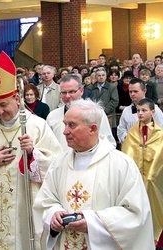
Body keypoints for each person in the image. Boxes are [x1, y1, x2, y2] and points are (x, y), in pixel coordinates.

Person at [0, 52, 62, 249]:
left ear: (17, 98)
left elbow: (55, 163)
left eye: (3, 104)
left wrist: (33, 154)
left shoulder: (36, 125)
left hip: (24, 204)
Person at [33, 99, 154, 250]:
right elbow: (46, 201)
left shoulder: (121, 165)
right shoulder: (59, 164)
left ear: (93, 128)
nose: (64, 131)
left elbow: (136, 214)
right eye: (65, 124)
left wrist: (92, 222)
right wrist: (53, 214)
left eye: (72, 125)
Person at [121, 98, 163, 246]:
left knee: (154, 202)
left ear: (153, 112)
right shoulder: (132, 133)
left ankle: (156, 238)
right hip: (136, 178)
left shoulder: (160, 134)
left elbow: (159, 157)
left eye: (144, 110)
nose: (140, 113)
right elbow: (127, 155)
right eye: (138, 110)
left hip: (154, 181)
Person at [46, 74, 116, 151]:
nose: (67, 96)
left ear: (81, 91)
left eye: (72, 91)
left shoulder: (96, 113)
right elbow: (48, 144)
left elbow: (108, 141)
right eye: (63, 92)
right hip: (61, 161)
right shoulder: (52, 116)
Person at [117, 78, 163, 143]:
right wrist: (129, 139)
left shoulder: (154, 109)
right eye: (130, 91)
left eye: (135, 91)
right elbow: (121, 129)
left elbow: (161, 129)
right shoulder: (126, 111)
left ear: (144, 91)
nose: (132, 94)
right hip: (130, 148)